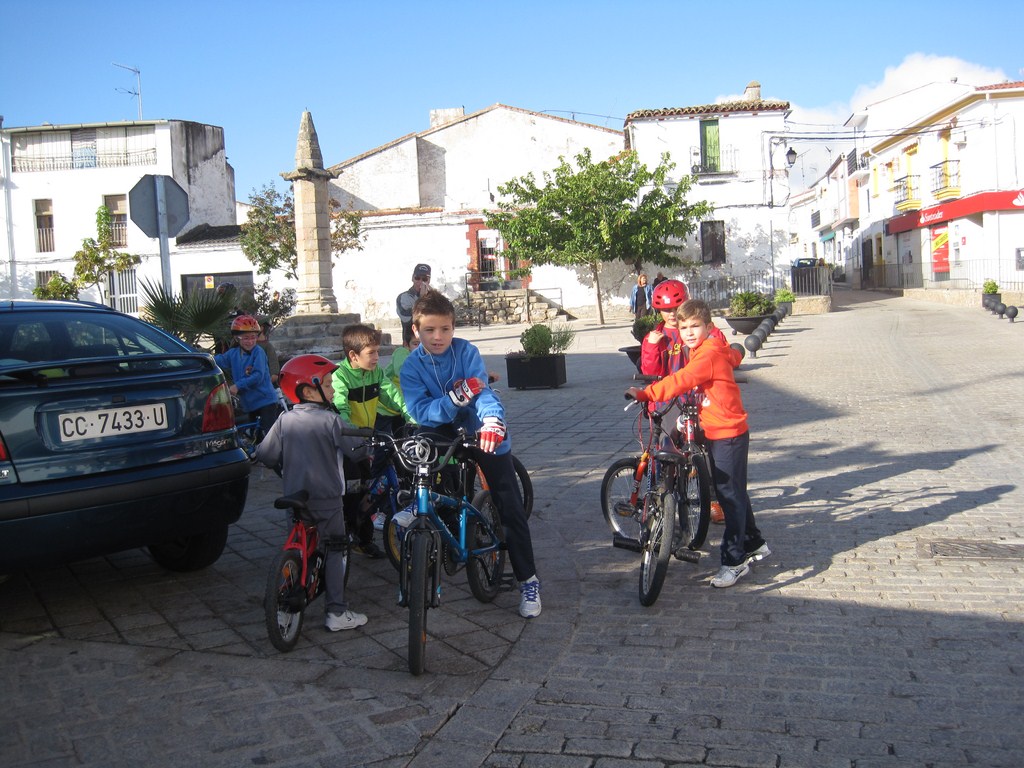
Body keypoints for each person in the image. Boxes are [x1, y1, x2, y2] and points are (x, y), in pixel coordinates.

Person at [399, 291, 542, 618]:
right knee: (420, 447)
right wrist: (453, 400)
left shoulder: (466, 351)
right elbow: (421, 412)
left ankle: (528, 580)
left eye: (445, 329)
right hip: (442, 428)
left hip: (480, 428)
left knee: (509, 503)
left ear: (454, 327)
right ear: (416, 330)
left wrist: (492, 420)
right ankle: (421, 506)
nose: (438, 337)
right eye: (429, 330)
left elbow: (482, 393)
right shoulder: (411, 367)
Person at [626, 299, 770, 588]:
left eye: (695, 326)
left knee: (729, 496)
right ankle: (754, 542)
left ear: (708, 326)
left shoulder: (708, 354)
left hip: (727, 433)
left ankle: (735, 561)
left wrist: (647, 394)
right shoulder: (706, 349)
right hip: (721, 430)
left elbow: (683, 379)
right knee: (734, 491)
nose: (689, 332)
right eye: (684, 328)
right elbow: (731, 357)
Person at [254, 355, 369, 631]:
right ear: (308, 391)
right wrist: (367, 444)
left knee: (299, 546)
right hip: (327, 498)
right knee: (335, 547)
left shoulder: (284, 420)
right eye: (327, 385)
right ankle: (336, 612)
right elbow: (357, 451)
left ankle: (288, 592)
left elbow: (265, 456)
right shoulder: (331, 421)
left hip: (295, 498)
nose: (332, 391)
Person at [638, 279, 730, 524]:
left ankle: (713, 498)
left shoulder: (698, 329)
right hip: (668, 402)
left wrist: (715, 337)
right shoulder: (656, 337)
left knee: (710, 448)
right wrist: (652, 347)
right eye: (665, 310)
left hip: (698, 399)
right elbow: (650, 373)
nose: (671, 314)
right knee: (665, 447)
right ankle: (660, 495)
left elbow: (721, 352)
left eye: (675, 308)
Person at [331, 324, 414, 558]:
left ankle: (364, 540)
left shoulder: (375, 373)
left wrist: (413, 417)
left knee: (368, 489)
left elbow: (393, 396)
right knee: (353, 494)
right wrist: (353, 432)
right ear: (353, 356)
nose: (377, 357)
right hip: (347, 445)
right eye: (372, 353)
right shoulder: (340, 377)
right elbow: (340, 410)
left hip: (367, 441)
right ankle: (345, 534)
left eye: (377, 351)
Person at [214, 315, 281, 436]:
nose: (250, 342)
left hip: (265, 402)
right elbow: (219, 360)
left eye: (253, 337)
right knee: (254, 436)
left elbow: (258, 376)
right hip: (249, 404)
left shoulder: (258, 352)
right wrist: (203, 357)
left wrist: (237, 386)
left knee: (269, 437)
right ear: (237, 338)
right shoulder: (233, 353)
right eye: (245, 338)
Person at [396, 263, 432, 345]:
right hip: (411, 343)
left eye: (424, 279)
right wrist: (422, 300)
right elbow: (407, 319)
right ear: (412, 278)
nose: (420, 282)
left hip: (431, 342)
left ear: (429, 280)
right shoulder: (403, 297)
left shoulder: (435, 298)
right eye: (417, 278)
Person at [256, 316, 281, 388]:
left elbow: (274, 374)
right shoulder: (248, 345)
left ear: (261, 328)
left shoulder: (267, 346)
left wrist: (263, 385)